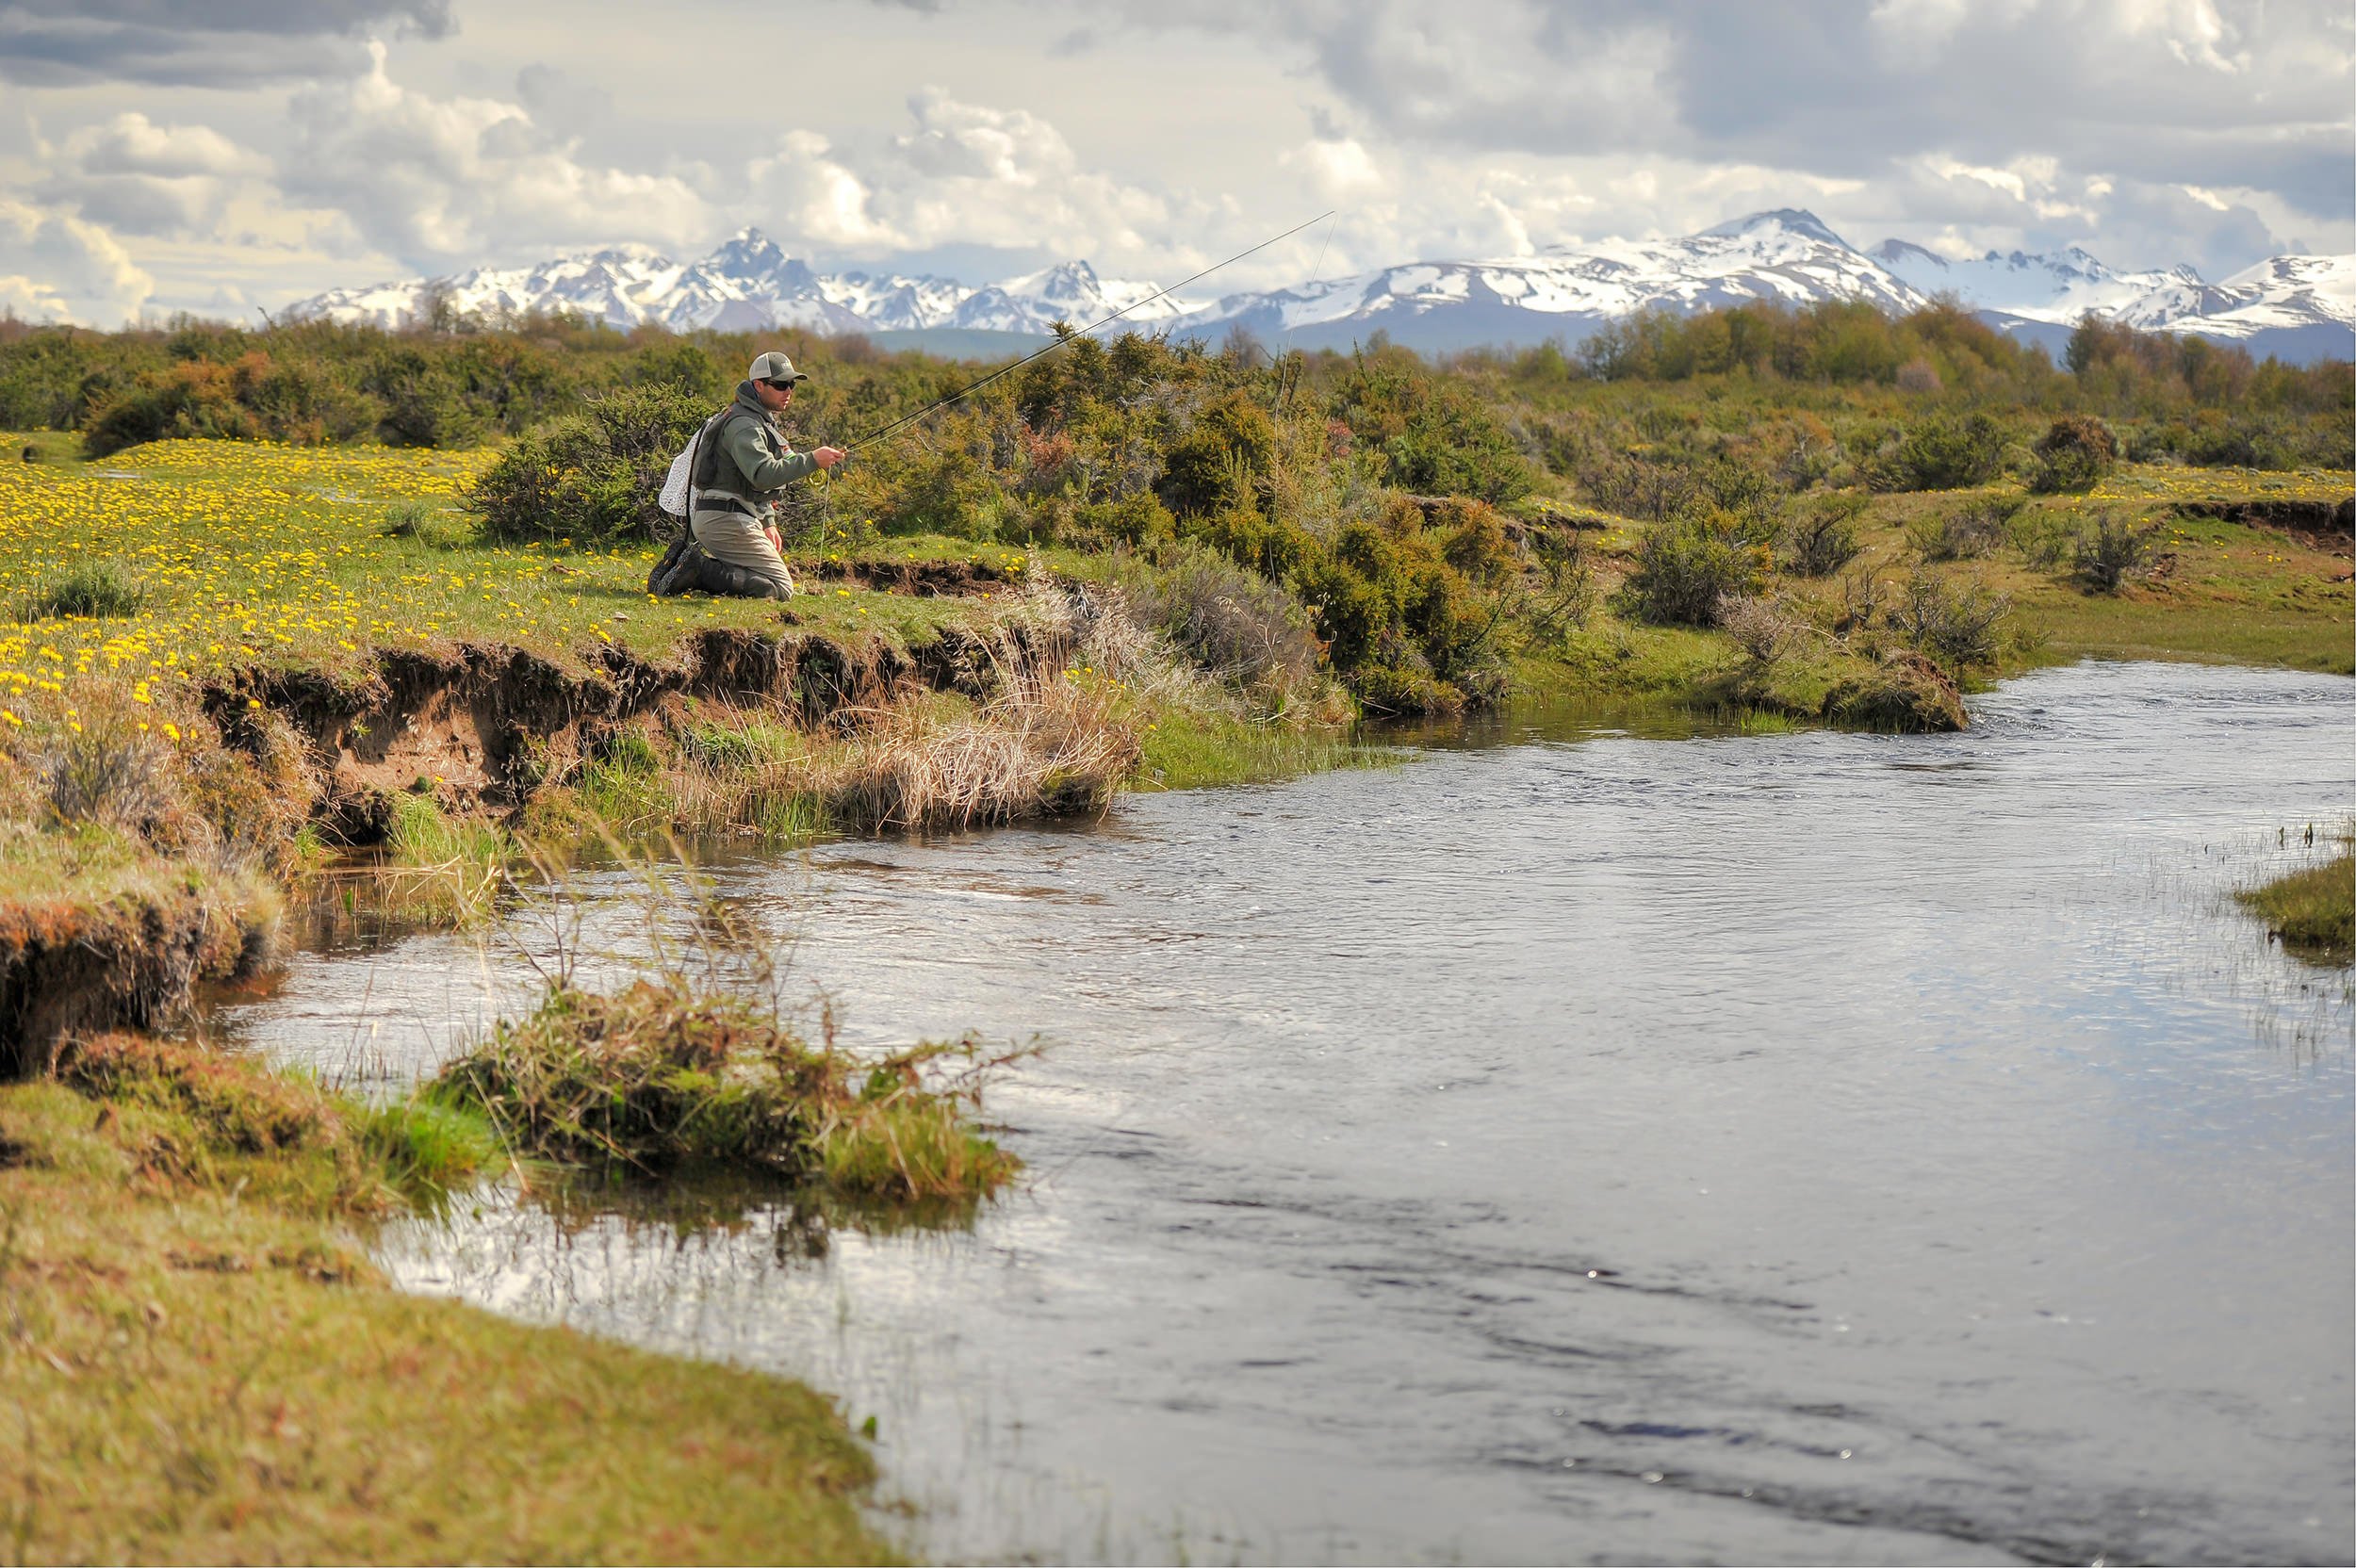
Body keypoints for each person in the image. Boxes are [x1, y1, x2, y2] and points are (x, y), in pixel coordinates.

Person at [650, 351, 844, 598]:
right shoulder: (745, 425)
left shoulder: (752, 418)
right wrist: (813, 460)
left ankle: (684, 565)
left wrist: (768, 522)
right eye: (780, 385)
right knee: (782, 589)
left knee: (765, 580)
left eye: (792, 384)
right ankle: (697, 569)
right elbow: (762, 475)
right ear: (759, 385)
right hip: (725, 520)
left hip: (725, 516)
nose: (788, 391)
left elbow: (749, 483)